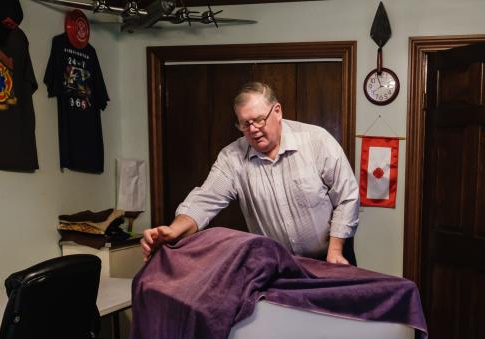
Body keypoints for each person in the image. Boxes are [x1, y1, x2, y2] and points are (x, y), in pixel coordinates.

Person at [142, 82, 359, 265]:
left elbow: (347, 196)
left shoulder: (316, 140)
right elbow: (204, 200)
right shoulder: (232, 157)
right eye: (245, 124)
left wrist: (336, 251)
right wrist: (172, 230)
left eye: (258, 119)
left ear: (277, 111)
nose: (253, 129)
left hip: (332, 255)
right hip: (277, 264)